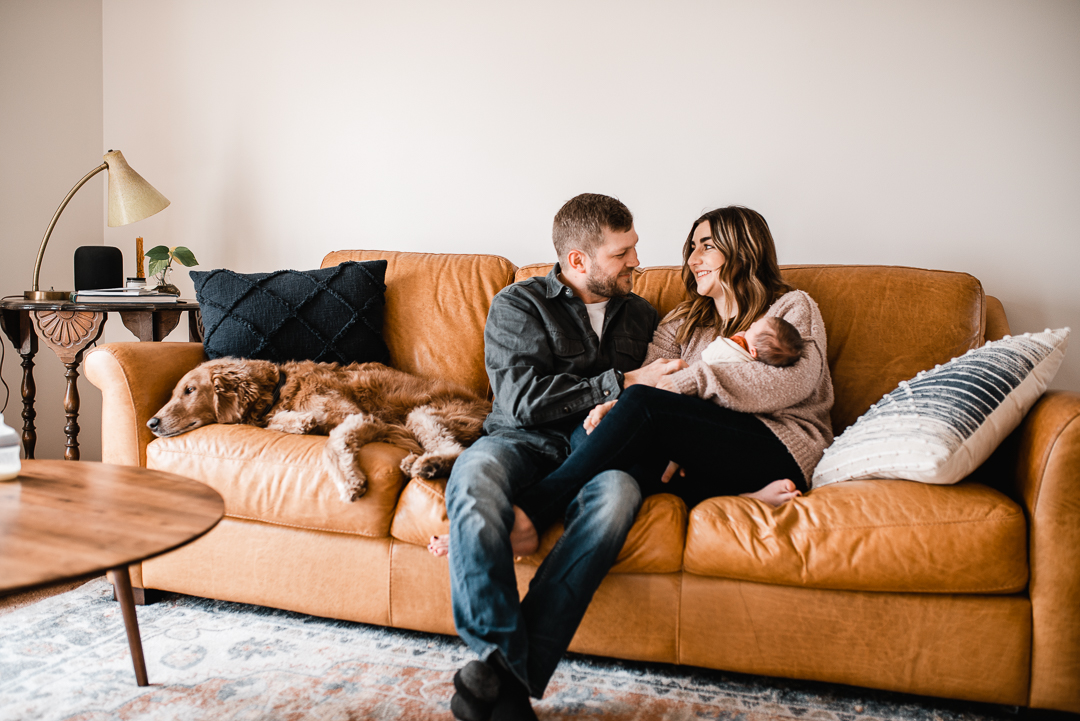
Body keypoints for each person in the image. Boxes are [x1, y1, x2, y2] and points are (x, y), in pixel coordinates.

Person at [442, 193, 680, 721]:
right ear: (578, 260)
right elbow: (523, 402)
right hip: (518, 442)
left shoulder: (643, 315)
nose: (637, 262)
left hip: (596, 450)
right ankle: (499, 655)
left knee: (618, 496)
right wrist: (621, 380)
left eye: (634, 248)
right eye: (622, 254)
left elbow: (654, 401)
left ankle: (494, 676)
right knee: (473, 476)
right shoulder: (518, 304)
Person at [509, 205, 835, 542]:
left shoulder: (791, 306)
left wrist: (687, 385)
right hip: (704, 451)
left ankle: (533, 510)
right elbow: (652, 380)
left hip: (780, 447)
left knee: (642, 408)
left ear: (744, 249)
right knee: (599, 435)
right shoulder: (682, 321)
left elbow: (790, 382)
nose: (693, 259)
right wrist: (617, 412)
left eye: (707, 246)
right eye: (692, 247)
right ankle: (727, 497)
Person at [700, 315, 805, 367]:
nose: (752, 324)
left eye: (751, 329)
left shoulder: (738, 344)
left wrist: (738, 336)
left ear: (753, 352)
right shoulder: (757, 359)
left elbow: (723, 346)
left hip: (709, 363)